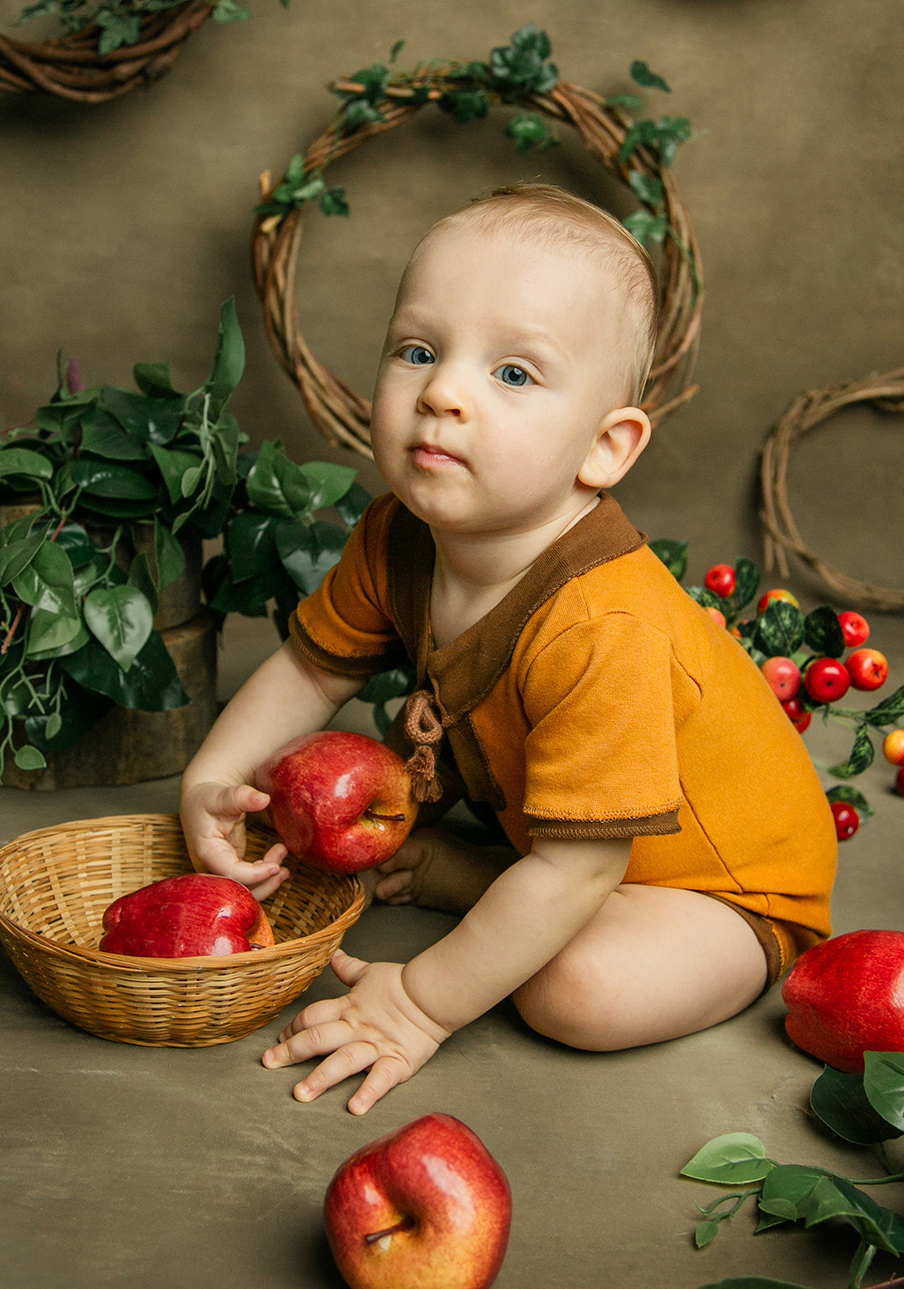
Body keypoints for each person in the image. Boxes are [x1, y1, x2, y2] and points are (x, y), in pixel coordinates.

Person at [180, 183, 836, 1115]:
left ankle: (524, 896)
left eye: (514, 374)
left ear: (605, 449)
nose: (442, 392)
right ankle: (497, 882)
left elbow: (588, 865)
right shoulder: (395, 535)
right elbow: (308, 671)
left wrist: (416, 1002)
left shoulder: (599, 623)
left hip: (717, 889)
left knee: (575, 992)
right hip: (574, 848)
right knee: (534, 887)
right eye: (418, 351)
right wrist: (211, 781)